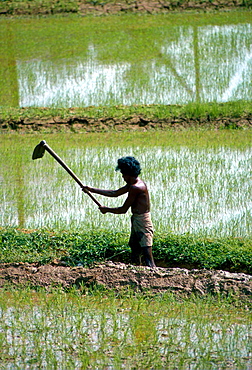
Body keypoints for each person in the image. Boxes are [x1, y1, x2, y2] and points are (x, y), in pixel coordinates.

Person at [82, 156, 156, 268]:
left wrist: (107, 209)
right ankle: (137, 271)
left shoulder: (136, 188)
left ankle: (153, 274)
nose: (122, 177)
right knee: (134, 247)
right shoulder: (132, 184)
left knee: (147, 253)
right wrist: (91, 190)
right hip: (136, 219)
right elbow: (115, 193)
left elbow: (123, 210)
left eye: (123, 174)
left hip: (143, 221)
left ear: (128, 174)